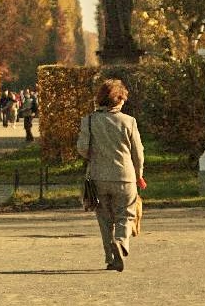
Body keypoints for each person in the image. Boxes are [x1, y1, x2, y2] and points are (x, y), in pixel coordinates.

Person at [76, 79, 146, 272]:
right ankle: (122, 241)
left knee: (104, 219)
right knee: (126, 213)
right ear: (118, 100)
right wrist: (139, 174)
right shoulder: (129, 121)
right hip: (125, 176)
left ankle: (110, 258)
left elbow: (82, 148)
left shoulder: (89, 120)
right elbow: (138, 152)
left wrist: (96, 155)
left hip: (98, 177)